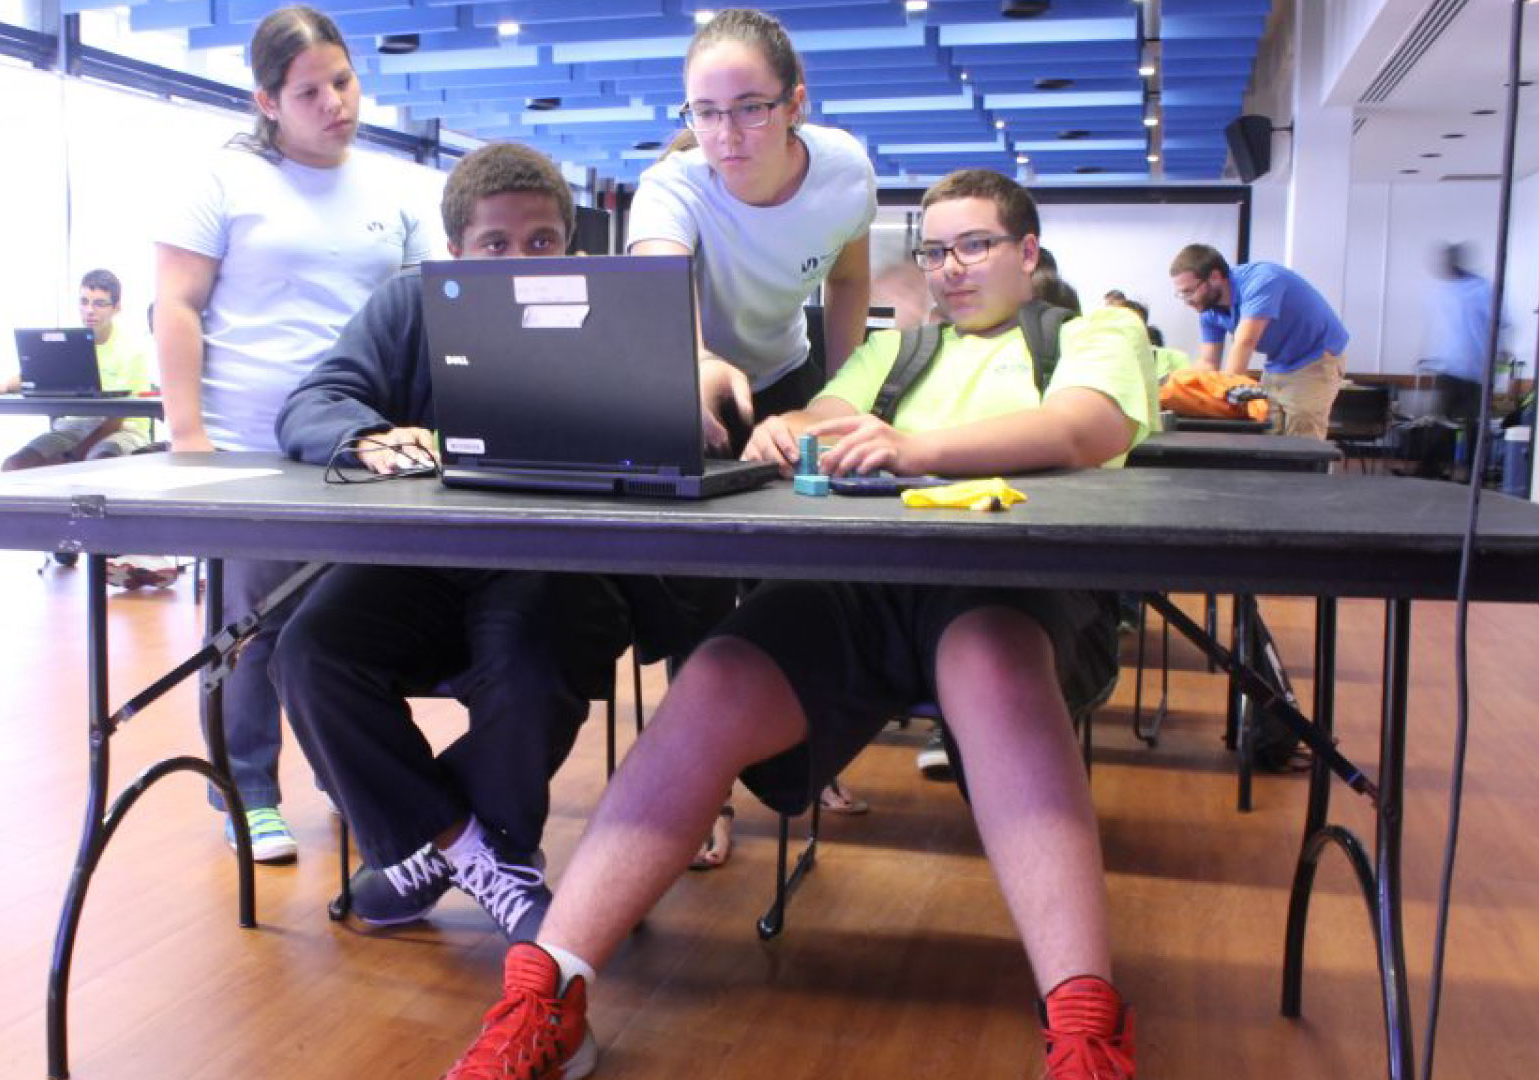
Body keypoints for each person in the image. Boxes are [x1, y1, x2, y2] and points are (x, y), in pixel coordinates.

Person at [441, 168, 1154, 1080]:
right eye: (934, 250)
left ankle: (1089, 1031)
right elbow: (827, 409)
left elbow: (1083, 429)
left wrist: (915, 449)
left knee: (988, 655)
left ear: (1027, 253)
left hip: (1015, 583)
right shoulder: (902, 351)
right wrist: (791, 428)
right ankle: (547, 996)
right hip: (865, 583)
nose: (950, 269)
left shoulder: (1096, 332)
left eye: (974, 246)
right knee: (716, 675)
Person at [270, 142, 632, 942]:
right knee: (307, 652)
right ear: (455, 252)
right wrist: (367, 436)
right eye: (493, 246)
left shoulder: (613, 311)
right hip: (425, 562)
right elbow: (313, 401)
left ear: (568, 246)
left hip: (556, 563)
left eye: (540, 241)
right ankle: (475, 850)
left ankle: (425, 852)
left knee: (531, 668)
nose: (517, 260)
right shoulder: (408, 306)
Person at [153, 4, 444, 865]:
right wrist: (187, 432)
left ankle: (346, 772)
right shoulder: (223, 181)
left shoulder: (394, 187)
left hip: (360, 446)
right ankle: (245, 786)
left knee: (345, 617)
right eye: (309, 91)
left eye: (344, 82)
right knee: (253, 622)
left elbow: (433, 305)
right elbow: (175, 304)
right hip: (249, 442)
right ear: (268, 101)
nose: (335, 104)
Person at [626, 7, 880, 867]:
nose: (726, 132)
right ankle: (705, 789)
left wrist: (851, 395)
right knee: (698, 581)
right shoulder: (672, 187)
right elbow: (661, 286)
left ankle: (808, 753)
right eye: (704, 111)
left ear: (795, 103)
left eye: (750, 107)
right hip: (689, 371)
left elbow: (848, 277)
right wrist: (695, 359)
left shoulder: (845, 168)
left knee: (802, 570)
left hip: (791, 376)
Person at [1169, 244, 1348, 440]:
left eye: (1189, 291)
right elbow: (1209, 363)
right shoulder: (1209, 310)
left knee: (1302, 435)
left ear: (1214, 277)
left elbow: (1245, 341)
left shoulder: (1261, 280)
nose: (1186, 300)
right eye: (1181, 294)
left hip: (1316, 356)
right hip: (1278, 362)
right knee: (1267, 428)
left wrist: (1227, 391)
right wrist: (1175, 387)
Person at [0, 269, 156, 469]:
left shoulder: (131, 349)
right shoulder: (67, 341)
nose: (89, 310)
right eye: (84, 301)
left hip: (123, 430)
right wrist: (3, 386)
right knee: (14, 465)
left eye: (99, 303)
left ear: (116, 308)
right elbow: (37, 373)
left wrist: (74, 455)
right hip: (74, 428)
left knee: (98, 461)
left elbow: (117, 417)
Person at [1415, 243, 1494, 480]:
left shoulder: (1482, 290)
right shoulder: (1446, 291)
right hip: (1449, 367)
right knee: (1440, 422)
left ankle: (1473, 473)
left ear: (1456, 262)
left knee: (1473, 424)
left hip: (1476, 370)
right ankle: (1429, 470)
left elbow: (1499, 324)